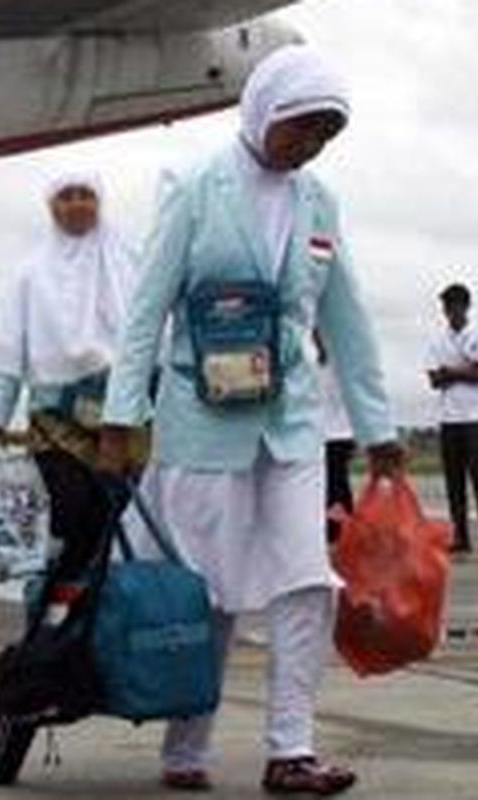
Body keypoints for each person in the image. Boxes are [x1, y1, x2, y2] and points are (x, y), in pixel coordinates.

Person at [99, 46, 405, 794]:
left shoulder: (318, 202)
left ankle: (291, 749)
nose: (311, 146)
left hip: (292, 422)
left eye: (326, 135)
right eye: (304, 128)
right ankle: (185, 748)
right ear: (266, 109)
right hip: (202, 425)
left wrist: (380, 429)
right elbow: (145, 311)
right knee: (208, 593)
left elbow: (348, 317)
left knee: (307, 580)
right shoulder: (196, 188)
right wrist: (119, 415)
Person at [0, 172, 138, 583]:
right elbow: (9, 347)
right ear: (52, 207)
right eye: (67, 196)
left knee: (119, 512)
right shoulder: (30, 273)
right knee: (70, 511)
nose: (77, 205)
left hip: (121, 416)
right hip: (55, 419)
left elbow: (151, 336)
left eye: (86, 196)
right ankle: (64, 605)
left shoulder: (127, 262)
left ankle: (100, 606)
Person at [425, 282, 478, 557]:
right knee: (454, 481)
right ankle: (460, 537)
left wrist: (450, 372)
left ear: (465, 307)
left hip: (476, 418)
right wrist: (464, 369)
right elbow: (434, 380)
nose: (450, 312)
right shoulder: (438, 341)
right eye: (446, 308)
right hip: (449, 419)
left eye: (455, 306)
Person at [315, 330, 356, 543]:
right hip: (321, 434)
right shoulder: (315, 367)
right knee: (327, 484)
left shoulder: (340, 366)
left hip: (341, 433)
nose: (318, 339)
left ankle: (341, 526)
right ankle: (335, 525)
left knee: (337, 484)